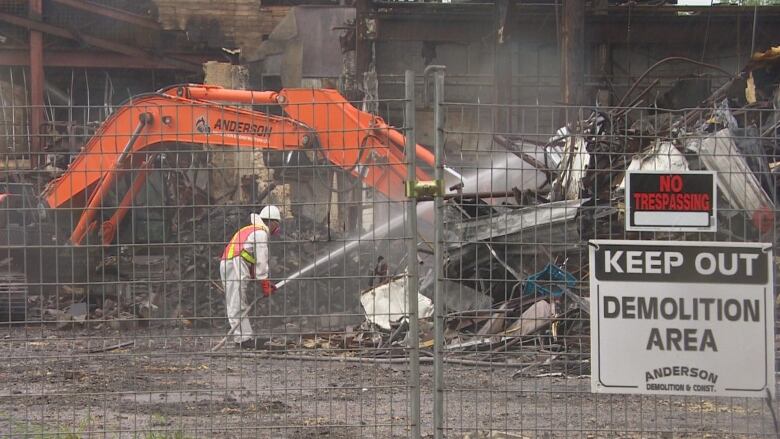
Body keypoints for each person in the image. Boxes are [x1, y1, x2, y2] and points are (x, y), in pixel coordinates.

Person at [220, 205, 281, 349]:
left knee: (237, 302)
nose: (276, 229)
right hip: (234, 265)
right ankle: (243, 340)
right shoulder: (260, 233)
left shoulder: (249, 229)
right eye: (277, 225)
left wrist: (261, 279)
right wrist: (264, 282)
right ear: (272, 222)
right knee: (237, 303)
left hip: (231, 264)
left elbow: (248, 255)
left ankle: (244, 338)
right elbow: (261, 260)